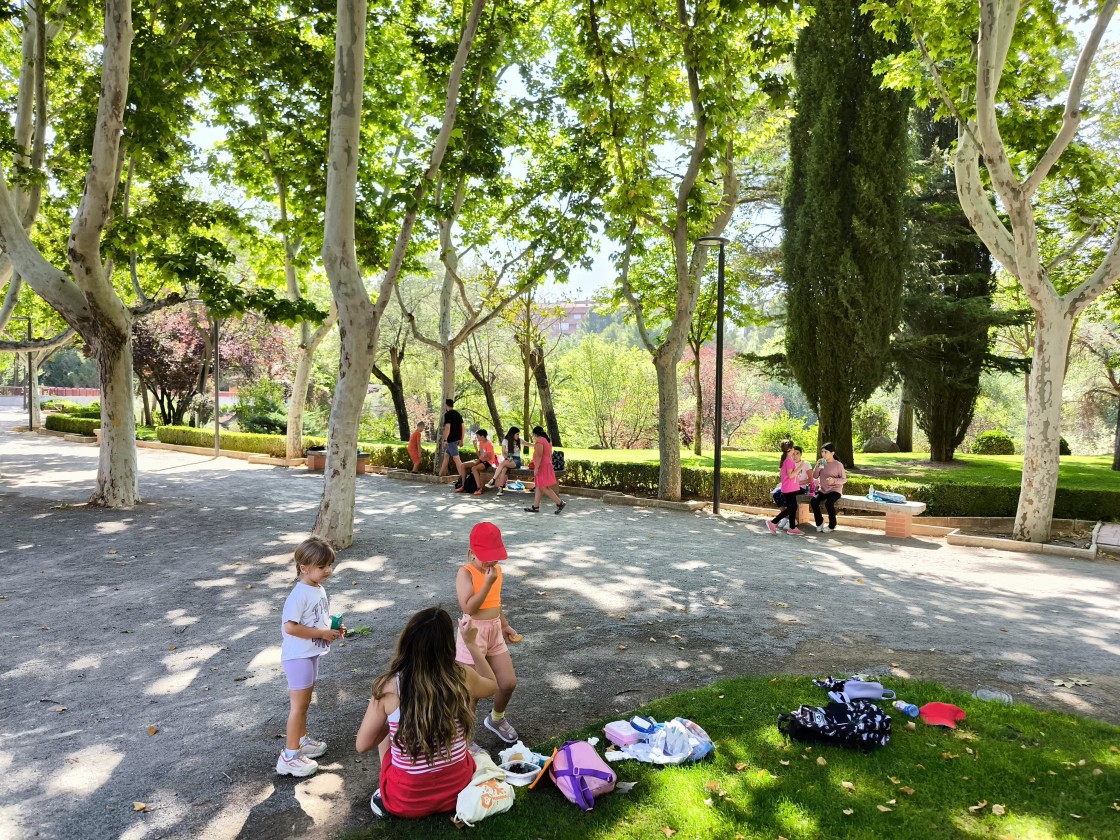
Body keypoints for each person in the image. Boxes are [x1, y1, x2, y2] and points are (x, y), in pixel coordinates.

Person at [356, 607, 497, 819]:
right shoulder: (461, 675)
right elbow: (492, 685)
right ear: (448, 646)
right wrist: (471, 644)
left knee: (388, 724)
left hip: (405, 801)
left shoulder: (388, 687)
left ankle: (384, 793)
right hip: (457, 791)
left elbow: (362, 745)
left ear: (407, 642)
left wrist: (390, 718)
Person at [277, 536, 344, 778]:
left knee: (304, 704)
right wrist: (321, 633)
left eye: (329, 565)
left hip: (310, 654)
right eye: (322, 566)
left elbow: (316, 619)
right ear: (304, 568)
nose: (328, 570)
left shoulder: (317, 587)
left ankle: (301, 741)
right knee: (298, 706)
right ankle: (289, 756)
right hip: (298, 657)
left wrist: (331, 628)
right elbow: (291, 627)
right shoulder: (299, 594)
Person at [454, 522, 521, 747]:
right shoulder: (466, 573)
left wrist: (504, 624)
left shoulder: (496, 572)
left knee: (508, 682)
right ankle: (464, 740)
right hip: (472, 633)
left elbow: (495, 602)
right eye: (487, 556)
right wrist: (486, 582)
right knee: (471, 692)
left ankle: (496, 719)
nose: (492, 562)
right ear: (473, 552)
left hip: (493, 630)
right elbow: (469, 608)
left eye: (495, 557)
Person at [524, 426, 565, 514]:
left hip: (543, 466)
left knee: (543, 487)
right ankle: (535, 506)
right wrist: (525, 443)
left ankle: (560, 503)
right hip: (546, 465)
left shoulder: (539, 440)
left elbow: (539, 455)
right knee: (539, 486)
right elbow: (535, 447)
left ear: (535, 434)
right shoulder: (545, 440)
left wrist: (536, 468)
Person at [810, 442, 847, 533]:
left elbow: (844, 479)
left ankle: (832, 525)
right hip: (823, 490)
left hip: (835, 490)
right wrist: (817, 467)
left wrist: (833, 480)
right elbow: (815, 476)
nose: (823, 454)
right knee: (814, 501)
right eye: (822, 452)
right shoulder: (822, 462)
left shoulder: (838, 465)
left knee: (829, 503)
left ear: (832, 453)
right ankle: (819, 522)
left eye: (825, 452)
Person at [769, 444, 804, 536]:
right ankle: (773, 522)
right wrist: (800, 467)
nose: (793, 450)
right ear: (789, 449)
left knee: (793, 508)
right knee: (790, 509)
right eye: (792, 448)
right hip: (789, 488)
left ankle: (792, 528)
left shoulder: (787, 460)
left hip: (790, 488)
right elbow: (790, 475)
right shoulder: (788, 461)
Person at [460, 429, 496, 495]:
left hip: (488, 462)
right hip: (481, 460)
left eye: (478, 436)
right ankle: (463, 486)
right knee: (463, 465)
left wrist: (480, 460)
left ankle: (479, 488)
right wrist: (475, 446)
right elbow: (479, 455)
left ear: (482, 436)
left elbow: (490, 458)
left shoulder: (489, 444)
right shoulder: (481, 443)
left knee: (474, 468)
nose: (477, 438)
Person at [488, 427, 521, 495]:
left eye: (518, 434)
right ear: (512, 434)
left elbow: (529, 444)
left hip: (516, 460)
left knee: (502, 464)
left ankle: (493, 480)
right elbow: (503, 453)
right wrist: (508, 458)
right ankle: (500, 489)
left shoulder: (519, 440)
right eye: (517, 434)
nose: (518, 436)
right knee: (503, 470)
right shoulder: (505, 441)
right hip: (508, 459)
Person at [438, 399, 465, 481]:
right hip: (457, 439)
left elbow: (447, 427)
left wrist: (445, 440)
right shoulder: (458, 414)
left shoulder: (448, 414)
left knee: (456, 459)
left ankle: (463, 477)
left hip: (451, 440)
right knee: (446, 456)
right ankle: (440, 474)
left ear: (446, 405)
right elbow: (463, 428)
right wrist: (461, 439)